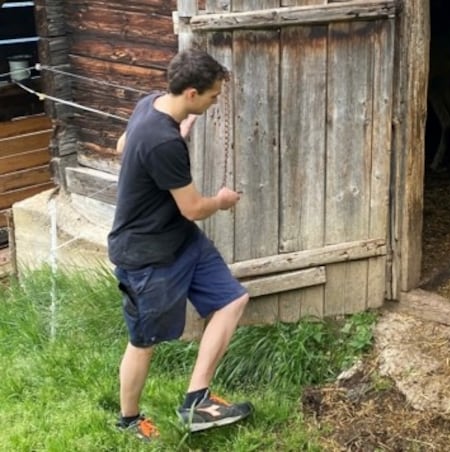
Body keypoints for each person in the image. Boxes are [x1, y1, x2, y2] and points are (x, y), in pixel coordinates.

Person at [108, 49, 252, 441]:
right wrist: (222, 202)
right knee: (144, 342)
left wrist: (179, 130)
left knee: (232, 300)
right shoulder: (162, 143)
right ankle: (129, 421)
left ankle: (197, 399)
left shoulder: (150, 107)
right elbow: (192, 208)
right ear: (191, 93)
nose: (215, 101)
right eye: (212, 96)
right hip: (146, 256)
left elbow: (123, 148)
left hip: (181, 242)